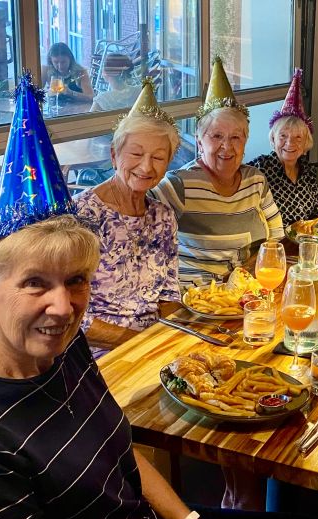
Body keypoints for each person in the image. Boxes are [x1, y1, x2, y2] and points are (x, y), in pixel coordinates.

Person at [0, 73, 208, 519]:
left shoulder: (63, 349)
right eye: (35, 283)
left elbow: (121, 452)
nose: (62, 308)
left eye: (77, 280)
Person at [152, 57, 283, 279]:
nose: (227, 146)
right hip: (195, 300)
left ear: (245, 140)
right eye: (217, 136)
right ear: (199, 141)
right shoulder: (179, 184)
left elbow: (277, 237)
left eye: (236, 137)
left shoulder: (256, 180)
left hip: (248, 290)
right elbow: (137, 226)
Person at [76, 79, 181, 354]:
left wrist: (174, 343)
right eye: (136, 153)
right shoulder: (83, 215)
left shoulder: (163, 217)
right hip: (97, 355)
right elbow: (72, 317)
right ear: (114, 155)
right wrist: (139, 344)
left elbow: (169, 296)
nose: (146, 166)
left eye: (159, 157)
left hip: (154, 348)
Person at [248, 69, 318, 226]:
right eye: (283, 136)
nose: (290, 143)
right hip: (272, 247)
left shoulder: (308, 172)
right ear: (273, 138)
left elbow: (315, 217)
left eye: (298, 137)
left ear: (306, 142)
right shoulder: (260, 168)